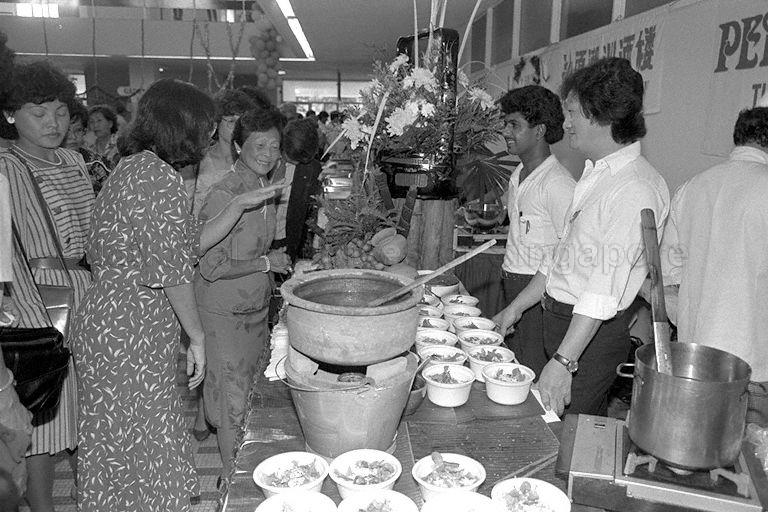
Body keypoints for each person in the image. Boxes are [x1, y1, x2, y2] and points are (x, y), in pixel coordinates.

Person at [70, 79, 287, 511]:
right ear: (181, 125)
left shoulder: (140, 167)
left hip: (122, 323)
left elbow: (189, 243)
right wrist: (198, 337)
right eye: (206, 126)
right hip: (126, 328)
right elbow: (172, 271)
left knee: (132, 438)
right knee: (141, 436)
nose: (211, 135)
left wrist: (237, 207)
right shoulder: (156, 176)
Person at [495, 57, 669, 417]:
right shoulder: (595, 176)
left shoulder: (634, 187)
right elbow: (557, 259)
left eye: (572, 112)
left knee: (565, 434)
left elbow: (602, 290)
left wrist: (563, 362)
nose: (566, 123)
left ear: (600, 115)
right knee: (546, 423)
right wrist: (515, 309)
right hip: (561, 324)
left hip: (589, 339)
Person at [0, 60, 95, 512]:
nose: (53, 122)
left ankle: (94, 495)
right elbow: (4, 252)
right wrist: (26, 315)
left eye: (59, 111)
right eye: (39, 112)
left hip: (87, 293)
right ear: (10, 115)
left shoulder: (75, 160)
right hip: (37, 303)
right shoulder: (5, 165)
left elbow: (96, 232)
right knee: (44, 419)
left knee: (89, 411)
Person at [195, 107, 291, 477]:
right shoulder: (226, 193)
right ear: (237, 146)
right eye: (259, 144)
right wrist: (266, 265)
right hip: (223, 314)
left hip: (252, 308)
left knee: (248, 393)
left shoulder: (262, 189)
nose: (268, 153)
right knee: (232, 404)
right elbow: (210, 265)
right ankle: (232, 481)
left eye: (275, 145)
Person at [660, 98, 768, 426]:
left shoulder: (692, 187)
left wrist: (696, 323)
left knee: (695, 445)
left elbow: (668, 278)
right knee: (749, 460)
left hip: (694, 360)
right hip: (753, 364)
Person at [491, 86, 575, 377]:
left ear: (539, 131)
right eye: (506, 123)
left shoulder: (557, 185)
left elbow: (568, 250)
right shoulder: (519, 175)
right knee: (514, 368)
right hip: (513, 283)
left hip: (539, 295)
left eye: (514, 124)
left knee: (532, 372)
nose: (505, 131)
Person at [188, 89, 254, 217]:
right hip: (201, 231)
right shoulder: (198, 159)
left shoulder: (250, 161)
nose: (236, 127)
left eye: (240, 122)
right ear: (217, 122)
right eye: (230, 121)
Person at [273, 118, 323, 263]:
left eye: (301, 161)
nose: (296, 162)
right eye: (290, 157)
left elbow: (310, 207)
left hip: (288, 235)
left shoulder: (311, 168)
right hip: (258, 234)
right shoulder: (265, 159)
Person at [65, 101, 110, 194]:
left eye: (78, 130)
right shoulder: (47, 165)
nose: (73, 137)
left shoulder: (96, 164)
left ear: (85, 131)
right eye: (67, 131)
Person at [85, 104, 120, 170]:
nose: (95, 125)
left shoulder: (120, 145)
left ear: (110, 124)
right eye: (92, 122)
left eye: (99, 120)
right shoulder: (89, 148)